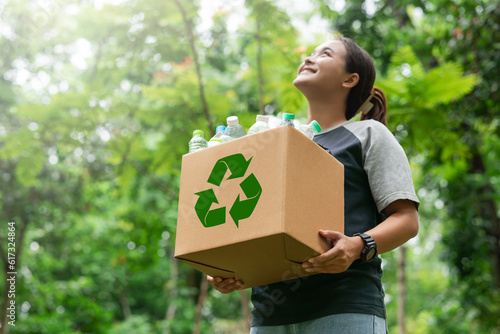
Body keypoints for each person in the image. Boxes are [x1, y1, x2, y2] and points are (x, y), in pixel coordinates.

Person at [208, 37, 420, 334]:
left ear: (350, 79)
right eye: (310, 53)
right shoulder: (275, 144)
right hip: (270, 317)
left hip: (344, 308)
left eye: (325, 54)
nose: (309, 58)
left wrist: (356, 246)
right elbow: (253, 223)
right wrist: (229, 268)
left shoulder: (367, 134)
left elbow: (407, 220)